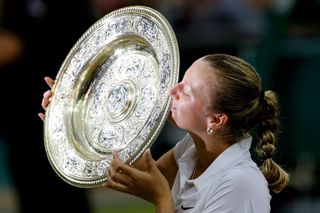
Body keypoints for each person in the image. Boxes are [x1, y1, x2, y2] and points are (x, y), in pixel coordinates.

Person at [40, 53, 289, 213]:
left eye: (187, 92)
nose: (173, 90)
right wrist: (71, 117)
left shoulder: (239, 185)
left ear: (216, 120)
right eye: (182, 79)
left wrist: (161, 197)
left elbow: (152, 184)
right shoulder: (191, 149)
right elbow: (125, 171)